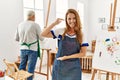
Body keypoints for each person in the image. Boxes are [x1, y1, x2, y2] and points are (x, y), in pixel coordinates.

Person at [41, 9, 89, 80]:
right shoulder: (61, 31)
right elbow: (43, 34)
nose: (72, 21)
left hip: (74, 69)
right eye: (69, 19)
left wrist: (66, 57)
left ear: (77, 19)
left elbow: (83, 53)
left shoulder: (81, 34)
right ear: (66, 20)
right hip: (60, 67)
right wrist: (54, 23)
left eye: (74, 18)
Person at [15, 10, 44, 80]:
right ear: (33, 16)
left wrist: (24, 40)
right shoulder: (35, 25)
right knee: (30, 70)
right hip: (32, 50)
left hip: (22, 49)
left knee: (21, 68)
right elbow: (42, 38)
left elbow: (16, 38)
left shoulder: (20, 24)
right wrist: (44, 31)